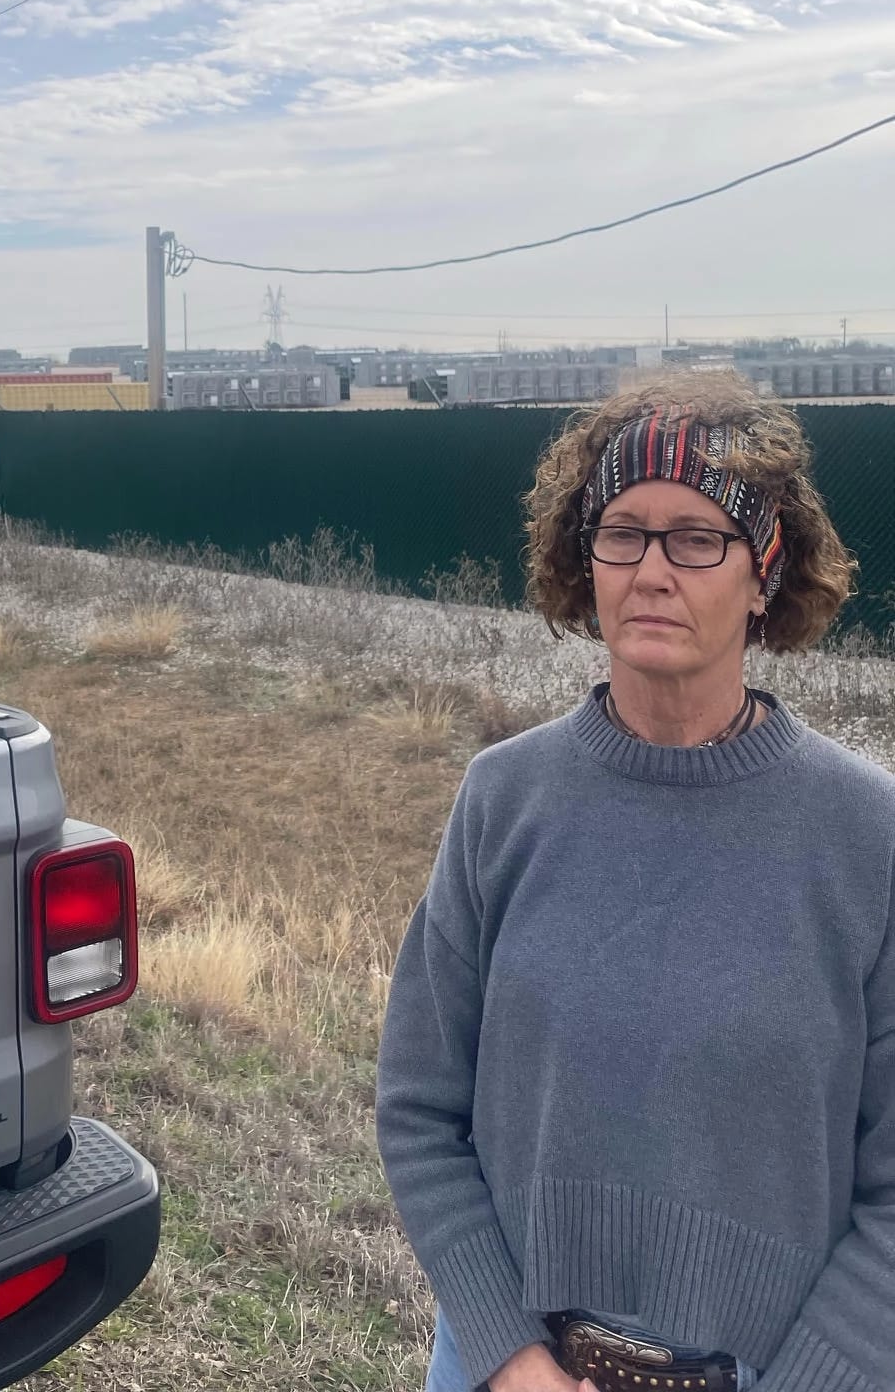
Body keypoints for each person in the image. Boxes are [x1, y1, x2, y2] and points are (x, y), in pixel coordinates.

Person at [377, 375, 891, 1392]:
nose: (653, 569)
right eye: (623, 532)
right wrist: (512, 1359)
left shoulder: (866, 835)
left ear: (763, 574)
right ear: (587, 559)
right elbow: (419, 1107)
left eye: (697, 538)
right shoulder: (504, 801)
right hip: (504, 1366)